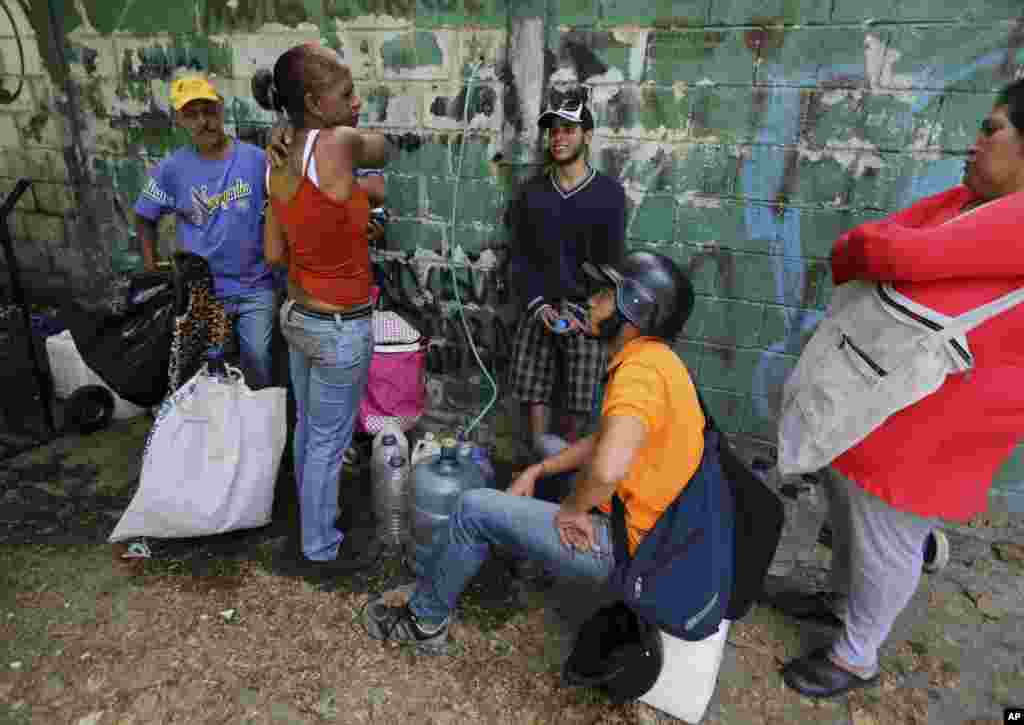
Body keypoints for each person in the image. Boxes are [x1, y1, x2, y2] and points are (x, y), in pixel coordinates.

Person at [776, 79, 1024, 699]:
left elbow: (894, 253)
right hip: (887, 395)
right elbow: (888, 239)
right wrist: (870, 247)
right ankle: (839, 601)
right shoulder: (970, 202)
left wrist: (865, 249)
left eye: (991, 130)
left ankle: (857, 655)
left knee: (887, 533)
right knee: (851, 506)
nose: (973, 145)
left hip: (937, 419)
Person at [361, 251, 703, 651]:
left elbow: (608, 469)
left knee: (473, 509)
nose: (592, 300)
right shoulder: (660, 362)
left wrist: (573, 511)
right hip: (662, 533)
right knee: (548, 446)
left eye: (606, 294)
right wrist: (538, 471)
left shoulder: (639, 374)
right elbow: (603, 442)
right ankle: (523, 551)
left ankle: (424, 622)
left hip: (633, 551)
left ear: (636, 310)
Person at [252, 43, 392, 572]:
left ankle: (311, 525)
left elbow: (272, 252)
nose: (356, 102)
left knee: (310, 430)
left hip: (298, 316)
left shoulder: (277, 163)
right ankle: (319, 545)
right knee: (329, 441)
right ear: (314, 101)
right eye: (347, 92)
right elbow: (385, 152)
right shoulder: (340, 141)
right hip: (338, 327)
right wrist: (363, 177)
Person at [505, 87, 627, 470]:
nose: (558, 137)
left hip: (585, 308)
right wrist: (538, 305)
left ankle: (569, 469)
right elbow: (520, 257)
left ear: (587, 137)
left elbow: (611, 265)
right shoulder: (531, 193)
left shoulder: (609, 194)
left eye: (568, 130)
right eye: (553, 130)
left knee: (582, 395)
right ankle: (539, 461)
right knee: (532, 387)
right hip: (539, 303)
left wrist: (592, 315)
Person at [134, 72, 276, 390]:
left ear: (222, 110)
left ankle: (260, 432)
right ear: (180, 120)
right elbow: (144, 216)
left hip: (256, 286)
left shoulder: (255, 160)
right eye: (191, 114)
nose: (203, 121)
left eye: (209, 111)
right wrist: (150, 265)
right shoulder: (172, 169)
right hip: (204, 292)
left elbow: (285, 207)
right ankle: (221, 434)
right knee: (212, 372)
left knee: (258, 362)